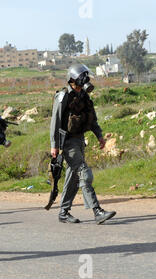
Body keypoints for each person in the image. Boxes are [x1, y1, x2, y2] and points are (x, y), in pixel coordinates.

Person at [50, 64, 116, 224]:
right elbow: (55, 121)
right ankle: (97, 211)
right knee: (84, 173)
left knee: (73, 178)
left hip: (79, 141)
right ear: (73, 78)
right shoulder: (63, 96)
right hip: (67, 142)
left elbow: (91, 118)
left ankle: (63, 212)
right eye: (82, 76)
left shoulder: (84, 96)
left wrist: (99, 136)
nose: (86, 79)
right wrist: (54, 144)